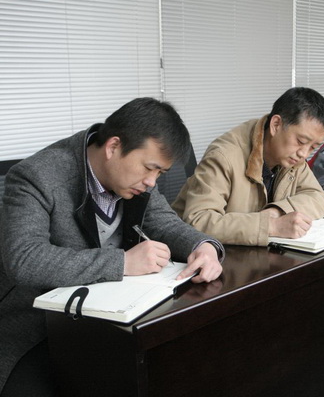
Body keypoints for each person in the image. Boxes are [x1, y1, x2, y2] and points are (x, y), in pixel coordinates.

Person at [0, 97, 225, 396]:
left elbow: (163, 221)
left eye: (159, 173)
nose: (151, 182)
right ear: (113, 147)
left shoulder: (135, 178)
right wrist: (122, 263)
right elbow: (24, 259)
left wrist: (204, 245)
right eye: (150, 169)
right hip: (39, 326)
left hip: (111, 318)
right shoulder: (38, 175)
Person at [172, 87, 324, 246]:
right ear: (276, 125)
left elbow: (318, 197)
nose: (304, 154)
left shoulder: (292, 157)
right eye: (301, 141)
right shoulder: (224, 156)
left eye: (313, 147)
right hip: (194, 253)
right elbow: (199, 220)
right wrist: (271, 226)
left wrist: (278, 211)